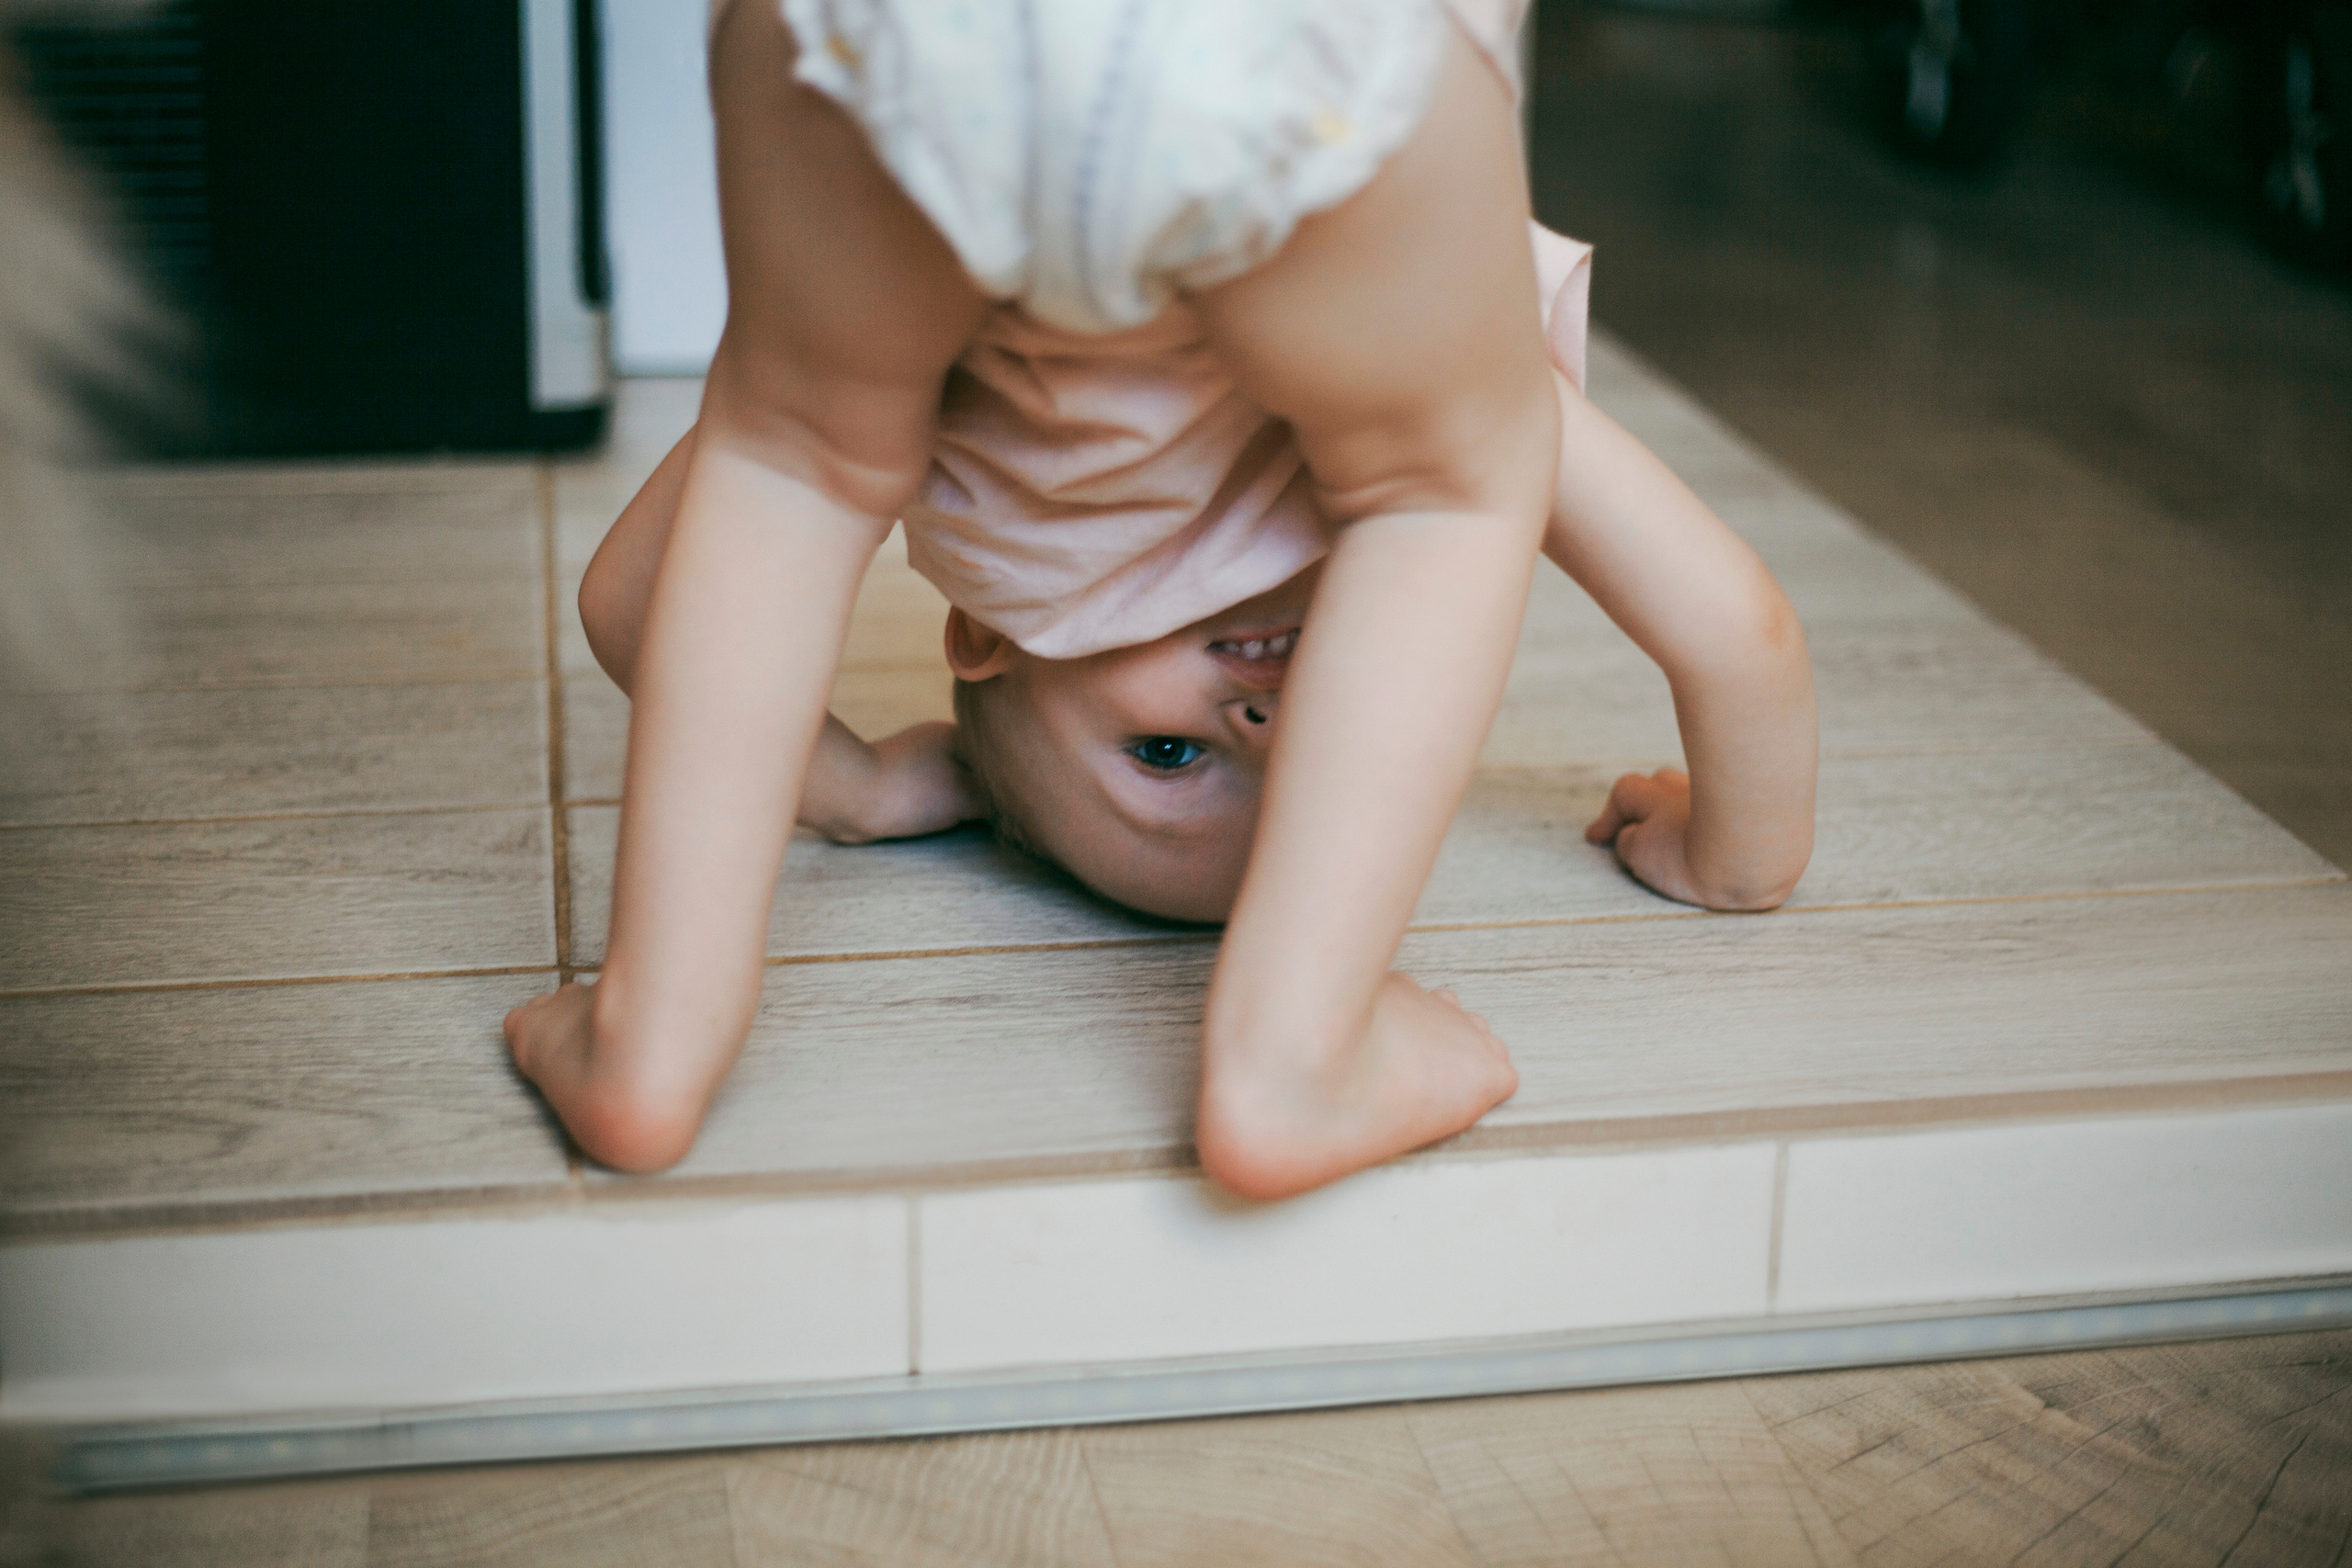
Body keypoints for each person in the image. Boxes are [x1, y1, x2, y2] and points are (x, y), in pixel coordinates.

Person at [505, 0, 1819, 1201]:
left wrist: (859, 789)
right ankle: (1285, 1054)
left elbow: (635, 602)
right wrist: (1731, 860)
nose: (1271, 716)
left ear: (981, 641)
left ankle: (660, 1033)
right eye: (1320, 753)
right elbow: (1738, 632)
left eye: (1170, 754)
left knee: (797, 460)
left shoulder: (1375, 351)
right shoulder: (1406, 376)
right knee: (796, 466)